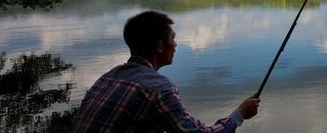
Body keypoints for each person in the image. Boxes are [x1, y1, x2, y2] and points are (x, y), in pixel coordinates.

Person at [72, 11, 260, 132]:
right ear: (160, 46)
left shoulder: (108, 77)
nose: (176, 44)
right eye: (173, 38)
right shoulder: (157, 87)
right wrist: (240, 114)